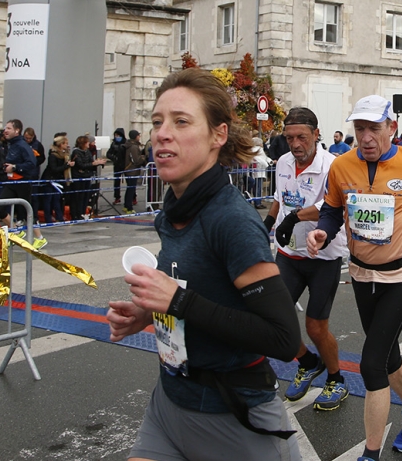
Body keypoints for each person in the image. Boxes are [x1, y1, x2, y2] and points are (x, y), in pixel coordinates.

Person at [106, 68, 302, 461]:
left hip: (235, 418)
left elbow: (284, 339)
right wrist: (145, 315)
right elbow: (200, 289)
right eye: (157, 122)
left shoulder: (231, 220)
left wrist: (177, 301)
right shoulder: (173, 210)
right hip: (169, 404)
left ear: (218, 135)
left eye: (181, 122)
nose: (162, 133)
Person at [306, 95, 402, 460]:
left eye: (374, 128)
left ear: (392, 128)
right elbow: (331, 210)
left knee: (372, 363)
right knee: (388, 357)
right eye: (360, 129)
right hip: (360, 273)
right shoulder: (341, 166)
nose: (366, 137)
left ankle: (369, 455)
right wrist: (323, 232)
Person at [263, 107, 349, 411]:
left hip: (323, 256)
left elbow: (331, 205)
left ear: (316, 134)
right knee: (272, 318)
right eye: (289, 138)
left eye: (301, 137)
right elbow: (279, 197)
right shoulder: (284, 162)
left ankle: (336, 379)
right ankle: (308, 361)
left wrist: (295, 218)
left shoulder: (333, 166)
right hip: (289, 253)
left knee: (315, 326)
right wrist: (268, 223)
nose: (295, 144)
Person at [0, 119, 39, 228]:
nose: (5, 131)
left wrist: (15, 167)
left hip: (22, 181)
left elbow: (32, 163)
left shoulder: (22, 145)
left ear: (17, 131)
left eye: (9, 128)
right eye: (5, 128)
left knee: (27, 212)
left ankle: (39, 237)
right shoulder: (10, 144)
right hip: (11, 182)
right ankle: (16, 229)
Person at [39, 133, 73, 224]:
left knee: (57, 199)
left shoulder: (64, 154)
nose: (67, 145)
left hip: (58, 180)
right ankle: (48, 218)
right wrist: (66, 166)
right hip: (50, 179)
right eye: (65, 143)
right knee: (48, 199)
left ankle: (59, 217)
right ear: (61, 144)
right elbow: (54, 169)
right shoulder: (53, 155)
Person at [69, 134, 105, 219]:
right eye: (87, 142)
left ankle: (83, 212)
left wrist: (97, 163)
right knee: (78, 196)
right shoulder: (76, 152)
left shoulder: (87, 151)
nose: (89, 144)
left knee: (86, 195)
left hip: (87, 176)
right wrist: (92, 164)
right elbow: (80, 164)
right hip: (78, 176)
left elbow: (90, 162)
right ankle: (77, 214)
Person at [123, 130, 146, 214]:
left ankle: (126, 205)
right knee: (131, 189)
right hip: (132, 170)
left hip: (129, 170)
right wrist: (143, 158)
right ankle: (129, 207)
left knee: (130, 188)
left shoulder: (129, 145)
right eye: (138, 136)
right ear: (135, 136)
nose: (139, 137)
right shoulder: (134, 147)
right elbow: (136, 160)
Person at [107, 128, 128, 203]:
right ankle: (117, 197)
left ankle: (133, 197)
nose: (117, 137)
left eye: (118, 135)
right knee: (116, 182)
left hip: (126, 165)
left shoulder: (126, 143)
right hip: (117, 165)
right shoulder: (113, 144)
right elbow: (108, 154)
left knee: (129, 181)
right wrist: (114, 158)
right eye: (116, 135)